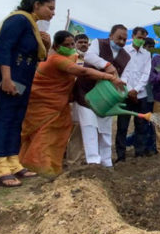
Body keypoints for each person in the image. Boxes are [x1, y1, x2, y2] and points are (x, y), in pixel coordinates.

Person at [0, 0, 54, 186]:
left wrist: (45, 44)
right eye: (50, 8)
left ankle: (13, 162)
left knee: (16, 120)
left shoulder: (32, 26)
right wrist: (6, 78)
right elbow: (3, 48)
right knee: (2, 118)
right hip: (5, 79)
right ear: (36, 5)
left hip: (23, 79)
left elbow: (36, 56)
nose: (53, 13)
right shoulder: (18, 20)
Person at [19, 31, 124, 175]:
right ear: (57, 46)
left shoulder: (70, 56)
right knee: (43, 133)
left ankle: (45, 165)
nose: (70, 47)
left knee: (56, 133)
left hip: (59, 103)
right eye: (66, 45)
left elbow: (85, 59)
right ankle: (38, 165)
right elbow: (83, 72)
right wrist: (109, 77)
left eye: (71, 44)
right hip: (43, 102)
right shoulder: (56, 59)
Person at [73, 24, 130, 168]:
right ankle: (93, 162)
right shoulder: (99, 43)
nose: (121, 42)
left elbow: (126, 76)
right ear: (110, 36)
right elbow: (90, 56)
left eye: (124, 39)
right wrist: (107, 65)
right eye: (119, 38)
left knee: (105, 130)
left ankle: (106, 162)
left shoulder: (126, 56)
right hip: (86, 93)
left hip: (107, 97)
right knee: (89, 126)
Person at [115, 27, 152, 161]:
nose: (141, 40)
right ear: (133, 36)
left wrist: (136, 89)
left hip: (141, 95)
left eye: (143, 38)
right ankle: (120, 155)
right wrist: (129, 90)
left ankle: (139, 153)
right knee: (122, 126)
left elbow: (146, 74)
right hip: (125, 94)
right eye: (139, 37)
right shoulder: (123, 51)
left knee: (141, 125)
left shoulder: (147, 54)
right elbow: (121, 72)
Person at [65, 33, 90, 167]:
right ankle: (71, 160)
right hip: (70, 99)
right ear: (75, 44)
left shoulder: (92, 59)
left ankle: (79, 159)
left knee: (82, 129)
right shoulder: (70, 58)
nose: (83, 44)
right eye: (80, 42)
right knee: (71, 130)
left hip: (86, 99)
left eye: (85, 42)